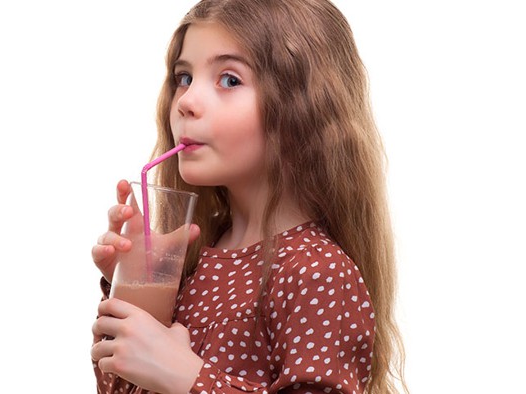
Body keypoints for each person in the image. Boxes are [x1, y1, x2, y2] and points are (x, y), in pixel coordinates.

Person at [90, 0, 406, 393]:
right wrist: (134, 286)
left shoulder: (316, 272)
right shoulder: (193, 261)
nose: (185, 102)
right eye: (183, 78)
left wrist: (188, 378)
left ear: (301, 109)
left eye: (229, 80)